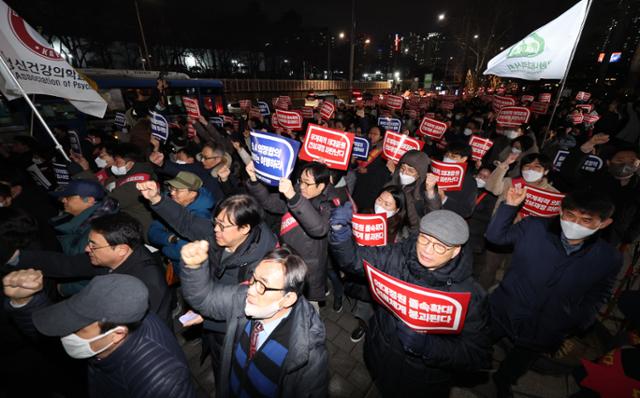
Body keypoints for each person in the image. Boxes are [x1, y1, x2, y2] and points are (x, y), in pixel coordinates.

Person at [329, 206, 492, 397]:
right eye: (425, 238)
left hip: (420, 381)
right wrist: (340, 232)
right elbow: (354, 261)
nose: (427, 250)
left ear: (456, 251)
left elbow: (477, 355)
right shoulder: (398, 255)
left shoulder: (470, 296)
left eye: (440, 246)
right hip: (380, 354)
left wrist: (429, 346)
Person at [485, 187, 622, 397]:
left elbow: (600, 291)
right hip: (506, 307)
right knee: (481, 341)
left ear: (603, 223)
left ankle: (503, 380)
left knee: (521, 359)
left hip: (549, 324)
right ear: (560, 211)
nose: (575, 224)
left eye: (586, 220)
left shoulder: (608, 257)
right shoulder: (534, 227)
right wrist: (510, 206)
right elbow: (495, 237)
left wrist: (579, 319)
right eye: (570, 216)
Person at [136, 181, 278, 383]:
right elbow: (187, 222)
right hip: (212, 316)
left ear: (245, 228)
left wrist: (208, 315)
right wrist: (157, 199)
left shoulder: (264, 264)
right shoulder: (220, 234)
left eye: (223, 226)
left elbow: (246, 306)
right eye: (215, 223)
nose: (216, 230)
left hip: (233, 330)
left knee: (229, 368)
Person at [3, 271, 195, 398]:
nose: (66, 333)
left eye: (79, 329)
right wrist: (26, 301)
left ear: (117, 334)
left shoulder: (163, 382)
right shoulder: (123, 314)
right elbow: (50, 330)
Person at [180, 242, 328, 397]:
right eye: (253, 279)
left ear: (288, 299)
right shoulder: (244, 299)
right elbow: (205, 299)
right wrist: (194, 269)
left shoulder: (309, 353)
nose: (250, 290)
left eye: (262, 285)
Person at [6, 212, 172, 327]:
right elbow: (67, 265)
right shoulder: (115, 256)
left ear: (121, 249)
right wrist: (15, 257)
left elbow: (152, 329)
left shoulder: (147, 285)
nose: (87, 249)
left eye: (94, 245)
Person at [245, 161, 338, 310]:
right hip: (287, 257)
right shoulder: (297, 191)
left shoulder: (329, 202)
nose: (301, 186)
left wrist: (293, 198)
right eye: (300, 180)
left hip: (308, 268)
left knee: (308, 310)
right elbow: (269, 202)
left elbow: (319, 229)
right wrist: (255, 181)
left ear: (321, 186)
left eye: (307, 183)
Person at [147, 171, 214, 276]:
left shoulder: (202, 217)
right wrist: (170, 238)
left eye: (177, 190)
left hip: (193, 272)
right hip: (178, 268)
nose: (172, 193)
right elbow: (152, 232)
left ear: (192, 193)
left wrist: (165, 249)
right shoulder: (170, 205)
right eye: (171, 188)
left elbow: (179, 252)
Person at [425, 143, 477, 218]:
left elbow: (466, 211)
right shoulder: (434, 170)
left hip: (445, 221)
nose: (448, 158)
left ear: (464, 159)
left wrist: (444, 199)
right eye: (447, 155)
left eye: (453, 157)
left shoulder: (469, 182)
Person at [386, 149, 430, 230]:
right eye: (402, 168)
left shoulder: (421, 194)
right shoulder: (392, 181)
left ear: (420, 174)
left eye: (410, 170)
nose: (404, 173)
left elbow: (415, 224)